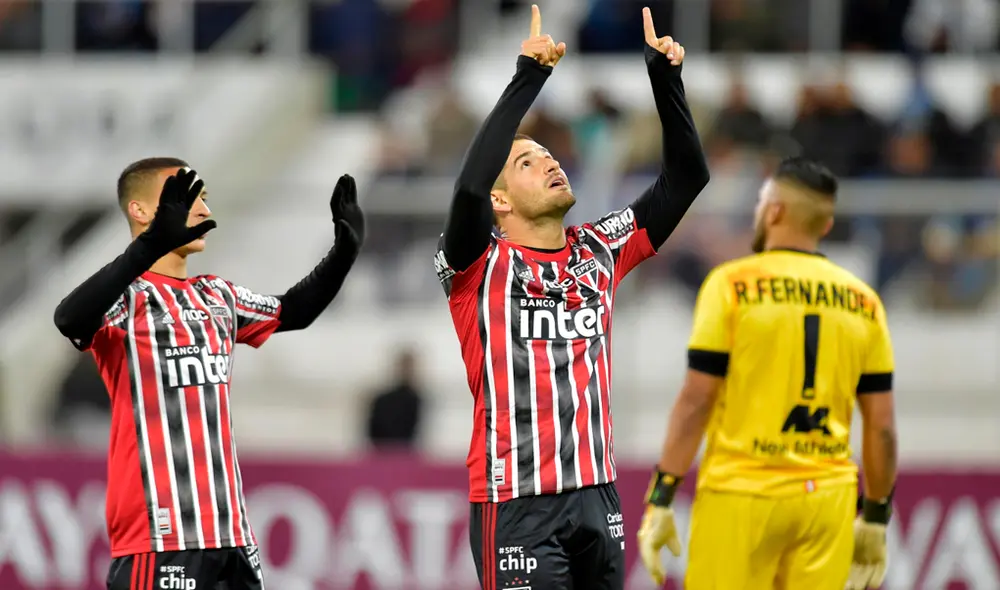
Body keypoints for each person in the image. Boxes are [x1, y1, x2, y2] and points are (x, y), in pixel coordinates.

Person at [432, 6, 709, 589]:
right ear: (501, 202)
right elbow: (466, 191)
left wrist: (665, 78)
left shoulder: (600, 249)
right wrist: (527, 78)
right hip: (516, 501)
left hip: (597, 496)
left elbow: (686, 179)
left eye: (549, 155)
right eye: (527, 163)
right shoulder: (479, 265)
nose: (550, 163)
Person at [53, 159, 365, 589]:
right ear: (142, 212)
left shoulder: (215, 295)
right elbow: (70, 319)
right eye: (184, 197)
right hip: (160, 537)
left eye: (203, 197)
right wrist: (147, 249)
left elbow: (294, 310)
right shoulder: (128, 298)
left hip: (233, 536)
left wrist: (343, 254)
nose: (201, 208)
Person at [636, 157, 897, 590]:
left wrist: (662, 493)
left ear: (774, 210)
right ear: (825, 225)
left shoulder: (731, 285)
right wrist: (875, 517)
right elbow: (882, 426)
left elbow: (697, 400)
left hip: (742, 494)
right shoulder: (865, 302)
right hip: (825, 500)